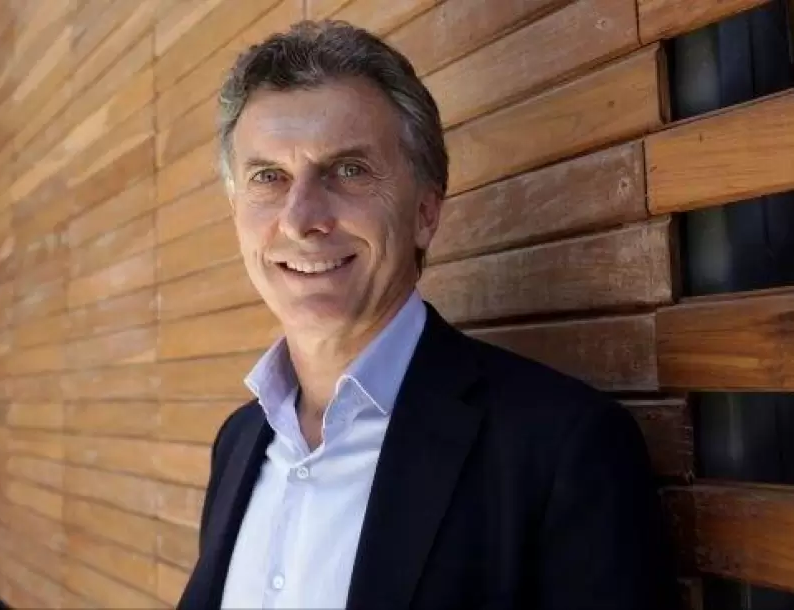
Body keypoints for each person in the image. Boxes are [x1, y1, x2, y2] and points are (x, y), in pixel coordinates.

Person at [178, 20, 676, 610]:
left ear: (425, 213)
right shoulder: (237, 441)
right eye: (269, 177)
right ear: (237, 212)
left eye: (348, 170)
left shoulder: (563, 450)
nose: (300, 218)